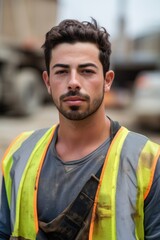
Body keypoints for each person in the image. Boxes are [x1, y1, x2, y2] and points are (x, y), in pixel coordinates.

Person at [0, 18, 160, 240]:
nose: (73, 82)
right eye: (62, 71)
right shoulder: (20, 152)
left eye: (86, 71)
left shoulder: (148, 161)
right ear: (47, 81)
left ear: (107, 80)